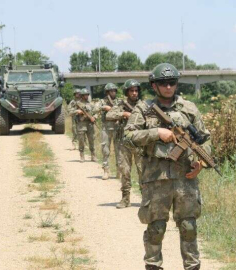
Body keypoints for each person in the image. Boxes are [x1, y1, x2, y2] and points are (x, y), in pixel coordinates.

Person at [124, 63, 211, 270]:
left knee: (188, 227)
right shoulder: (143, 109)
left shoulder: (189, 109)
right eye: (163, 83)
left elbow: (206, 139)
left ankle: (192, 266)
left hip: (185, 180)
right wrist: (156, 134)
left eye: (172, 82)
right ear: (154, 85)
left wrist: (201, 162)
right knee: (156, 228)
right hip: (156, 180)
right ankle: (153, 266)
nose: (168, 87)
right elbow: (127, 137)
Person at [106, 79, 143, 209]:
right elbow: (109, 115)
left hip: (139, 142)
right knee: (125, 171)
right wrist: (123, 114)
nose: (134, 93)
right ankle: (125, 198)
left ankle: (145, 199)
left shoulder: (142, 105)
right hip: (123, 142)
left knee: (142, 171)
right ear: (127, 92)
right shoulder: (121, 104)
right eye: (131, 91)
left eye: (136, 90)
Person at [96, 83, 122, 180]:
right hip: (106, 128)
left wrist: (113, 110)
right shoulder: (102, 101)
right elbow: (94, 108)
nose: (113, 92)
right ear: (107, 92)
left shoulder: (119, 101)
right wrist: (103, 107)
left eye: (115, 90)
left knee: (119, 150)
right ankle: (106, 170)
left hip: (117, 127)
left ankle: (119, 171)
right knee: (105, 150)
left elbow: (123, 110)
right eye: (111, 91)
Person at [74, 88, 96, 162]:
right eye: (85, 95)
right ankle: (82, 155)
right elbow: (70, 112)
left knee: (91, 139)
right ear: (81, 96)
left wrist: (94, 117)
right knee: (81, 140)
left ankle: (93, 155)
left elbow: (95, 112)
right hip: (81, 124)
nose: (86, 96)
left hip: (90, 123)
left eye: (87, 95)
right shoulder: (77, 103)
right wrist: (77, 111)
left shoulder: (90, 104)